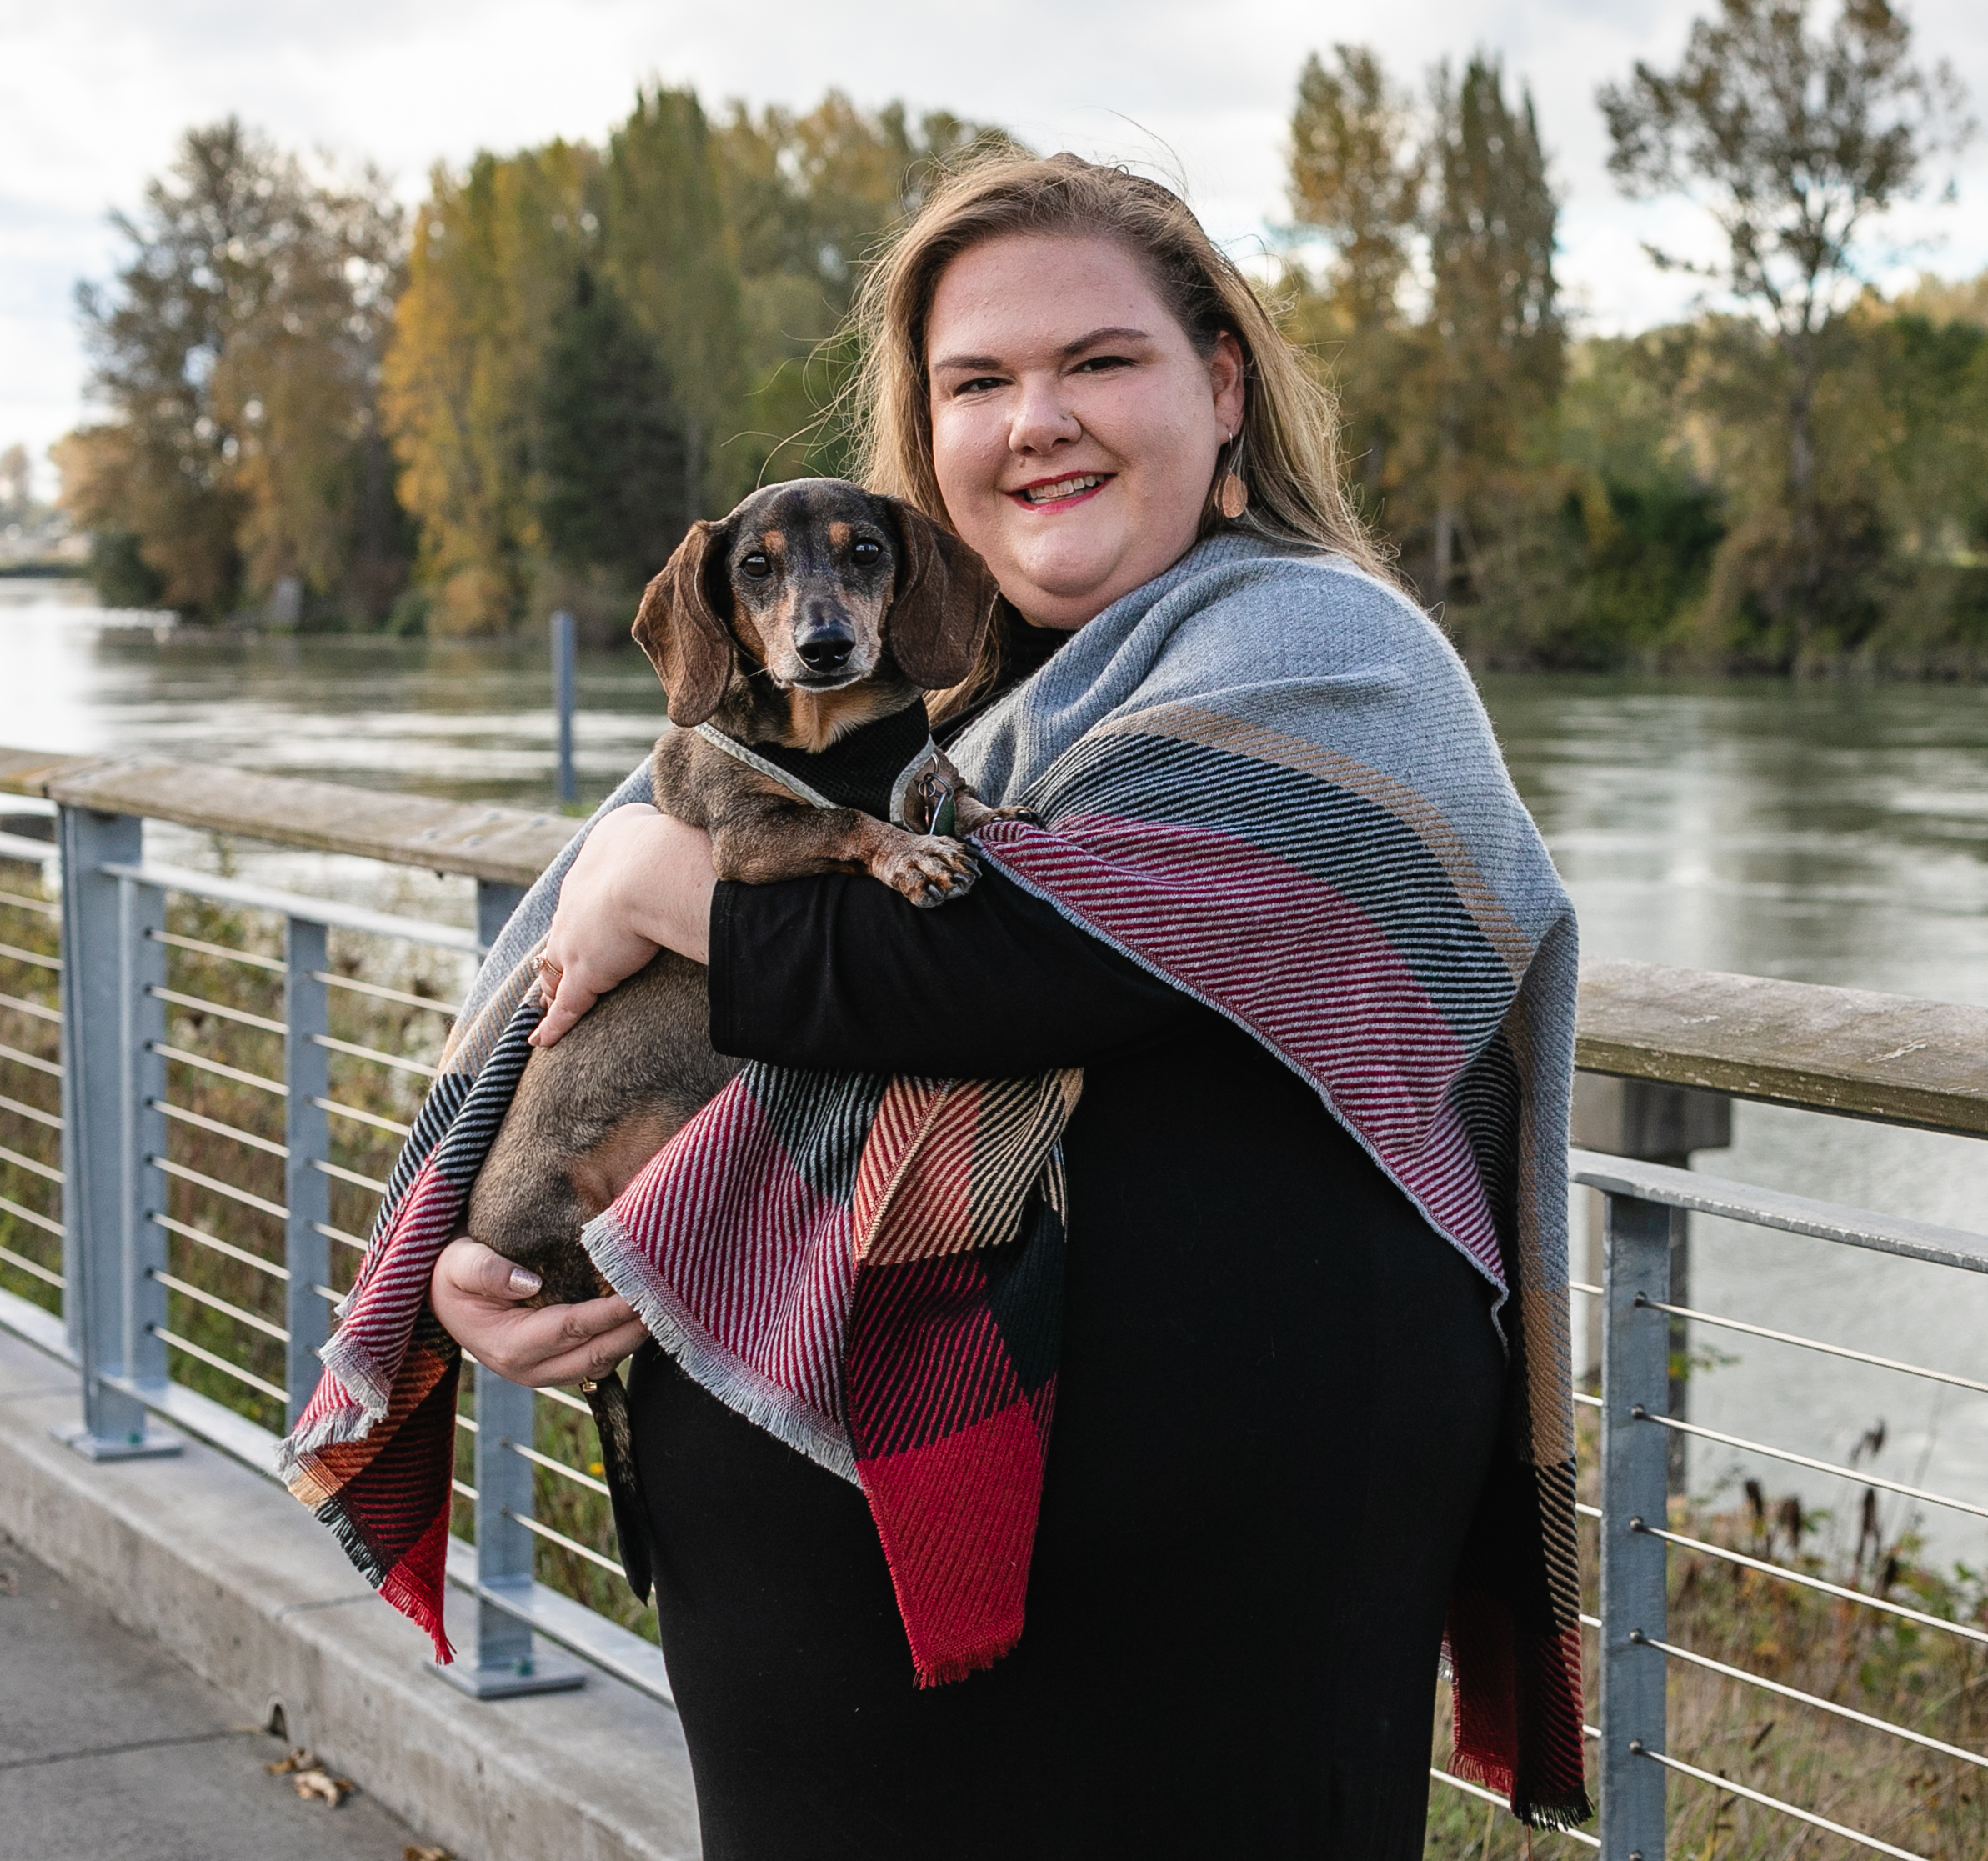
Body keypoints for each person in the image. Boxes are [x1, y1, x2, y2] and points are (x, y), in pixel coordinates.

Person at [411, 154, 1587, 1858]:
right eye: (979, 381)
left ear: (1224, 389)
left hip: (1221, 1595)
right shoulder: (872, 709)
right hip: (826, 1628)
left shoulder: (1329, 660)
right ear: (928, 427)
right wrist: (494, 1250)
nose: (1038, 418)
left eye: (1100, 362)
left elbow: (1003, 970)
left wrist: (659, 887)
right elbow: (587, 1022)